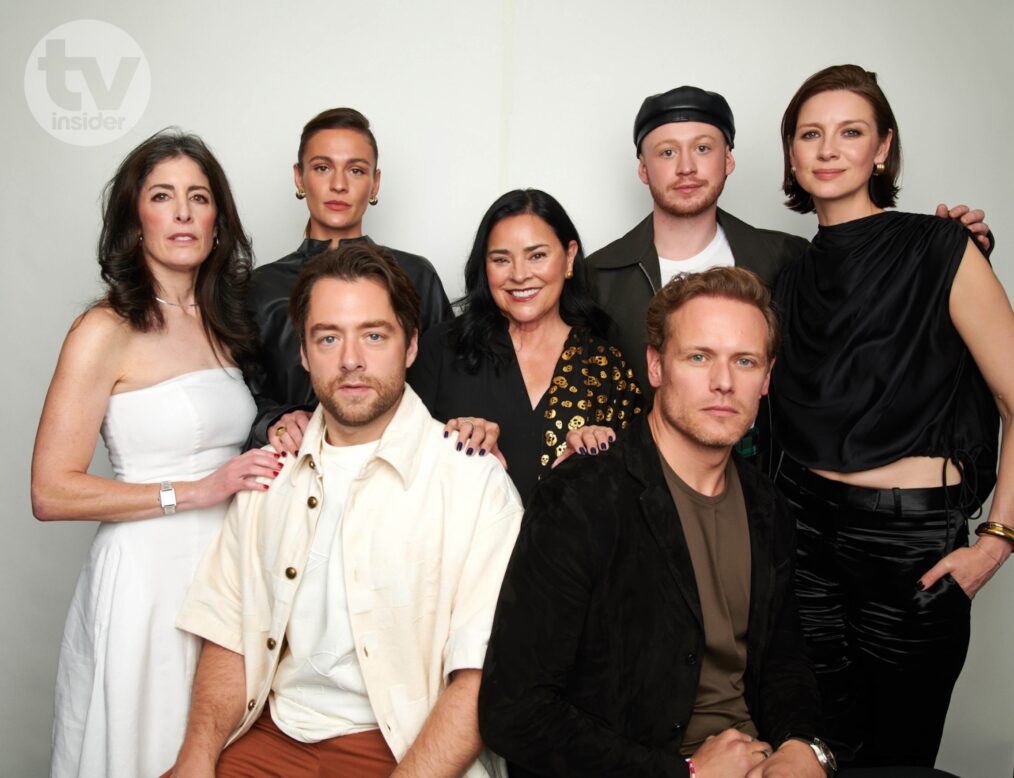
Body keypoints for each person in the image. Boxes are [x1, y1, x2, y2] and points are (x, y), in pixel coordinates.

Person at [167, 243, 522, 777]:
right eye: (329, 337)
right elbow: (227, 631)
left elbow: (480, 679)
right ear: (304, 355)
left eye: (374, 335)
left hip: (402, 747)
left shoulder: (474, 481)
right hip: (272, 737)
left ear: (410, 345)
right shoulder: (272, 474)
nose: (351, 359)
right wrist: (194, 762)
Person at [478, 267, 834, 778]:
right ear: (656, 366)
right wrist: (683, 774)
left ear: (767, 379)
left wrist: (804, 747)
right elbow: (515, 712)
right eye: (698, 357)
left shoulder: (767, 505)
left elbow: (784, 662)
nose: (723, 382)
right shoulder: (583, 497)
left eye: (745, 361)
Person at [771, 64, 1014, 768]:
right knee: (818, 747)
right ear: (791, 153)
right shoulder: (789, 270)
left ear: (883, 149)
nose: (827, 148)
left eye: (850, 132)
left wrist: (996, 541)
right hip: (803, 532)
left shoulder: (941, 246)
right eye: (809, 134)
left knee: (898, 758)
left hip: (908, 542)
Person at [31, 130, 280, 778]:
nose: (182, 213)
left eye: (198, 198)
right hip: (146, 579)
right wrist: (194, 491)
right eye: (162, 196)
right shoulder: (103, 330)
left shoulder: (225, 322)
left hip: (228, 571)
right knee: (145, 747)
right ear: (133, 219)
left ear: (217, 220)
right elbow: (50, 491)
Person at [585, 85, 992, 396]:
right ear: (643, 168)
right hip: (634, 485)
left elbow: (872, 329)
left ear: (728, 160)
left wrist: (950, 256)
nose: (687, 167)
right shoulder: (597, 275)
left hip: (765, 485)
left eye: (703, 148)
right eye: (667, 152)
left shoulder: (787, 258)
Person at [408, 189, 643, 505]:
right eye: (501, 259)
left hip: (570, 553)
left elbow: (637, 491)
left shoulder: (605, 364)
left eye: (537, 256)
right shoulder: (442, 347)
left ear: (569, 257)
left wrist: (599, 459)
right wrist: (447, 446)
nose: (519, 275)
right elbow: (399, 466)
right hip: (459, 551)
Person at [247, 106, 452, 452]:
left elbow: (450, 381)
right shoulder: (260, 289)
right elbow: (236, 393)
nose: (339, 185)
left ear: (375, 182)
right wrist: (273, 421)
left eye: (356, 170)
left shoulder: (415, 275)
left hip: (405, 468)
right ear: (299, 177)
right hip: (294, 468)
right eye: (322, 168)